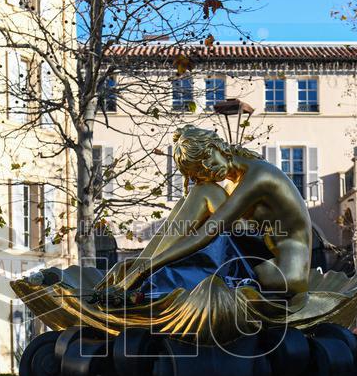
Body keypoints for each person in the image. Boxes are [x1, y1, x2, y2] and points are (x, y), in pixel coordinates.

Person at [100, 125, 313, 297]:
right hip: (261, 256)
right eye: (200, 172)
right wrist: (142, 262)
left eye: (206, 162)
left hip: (282, 272)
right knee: (199, 194)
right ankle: (141, 266)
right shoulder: (232, 182)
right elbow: (184, 223)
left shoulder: (259, 175)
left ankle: (143, 271)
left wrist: (145, 269)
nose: (207, 171)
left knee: (203, 193)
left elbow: (207, 232)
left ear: (214, 147)